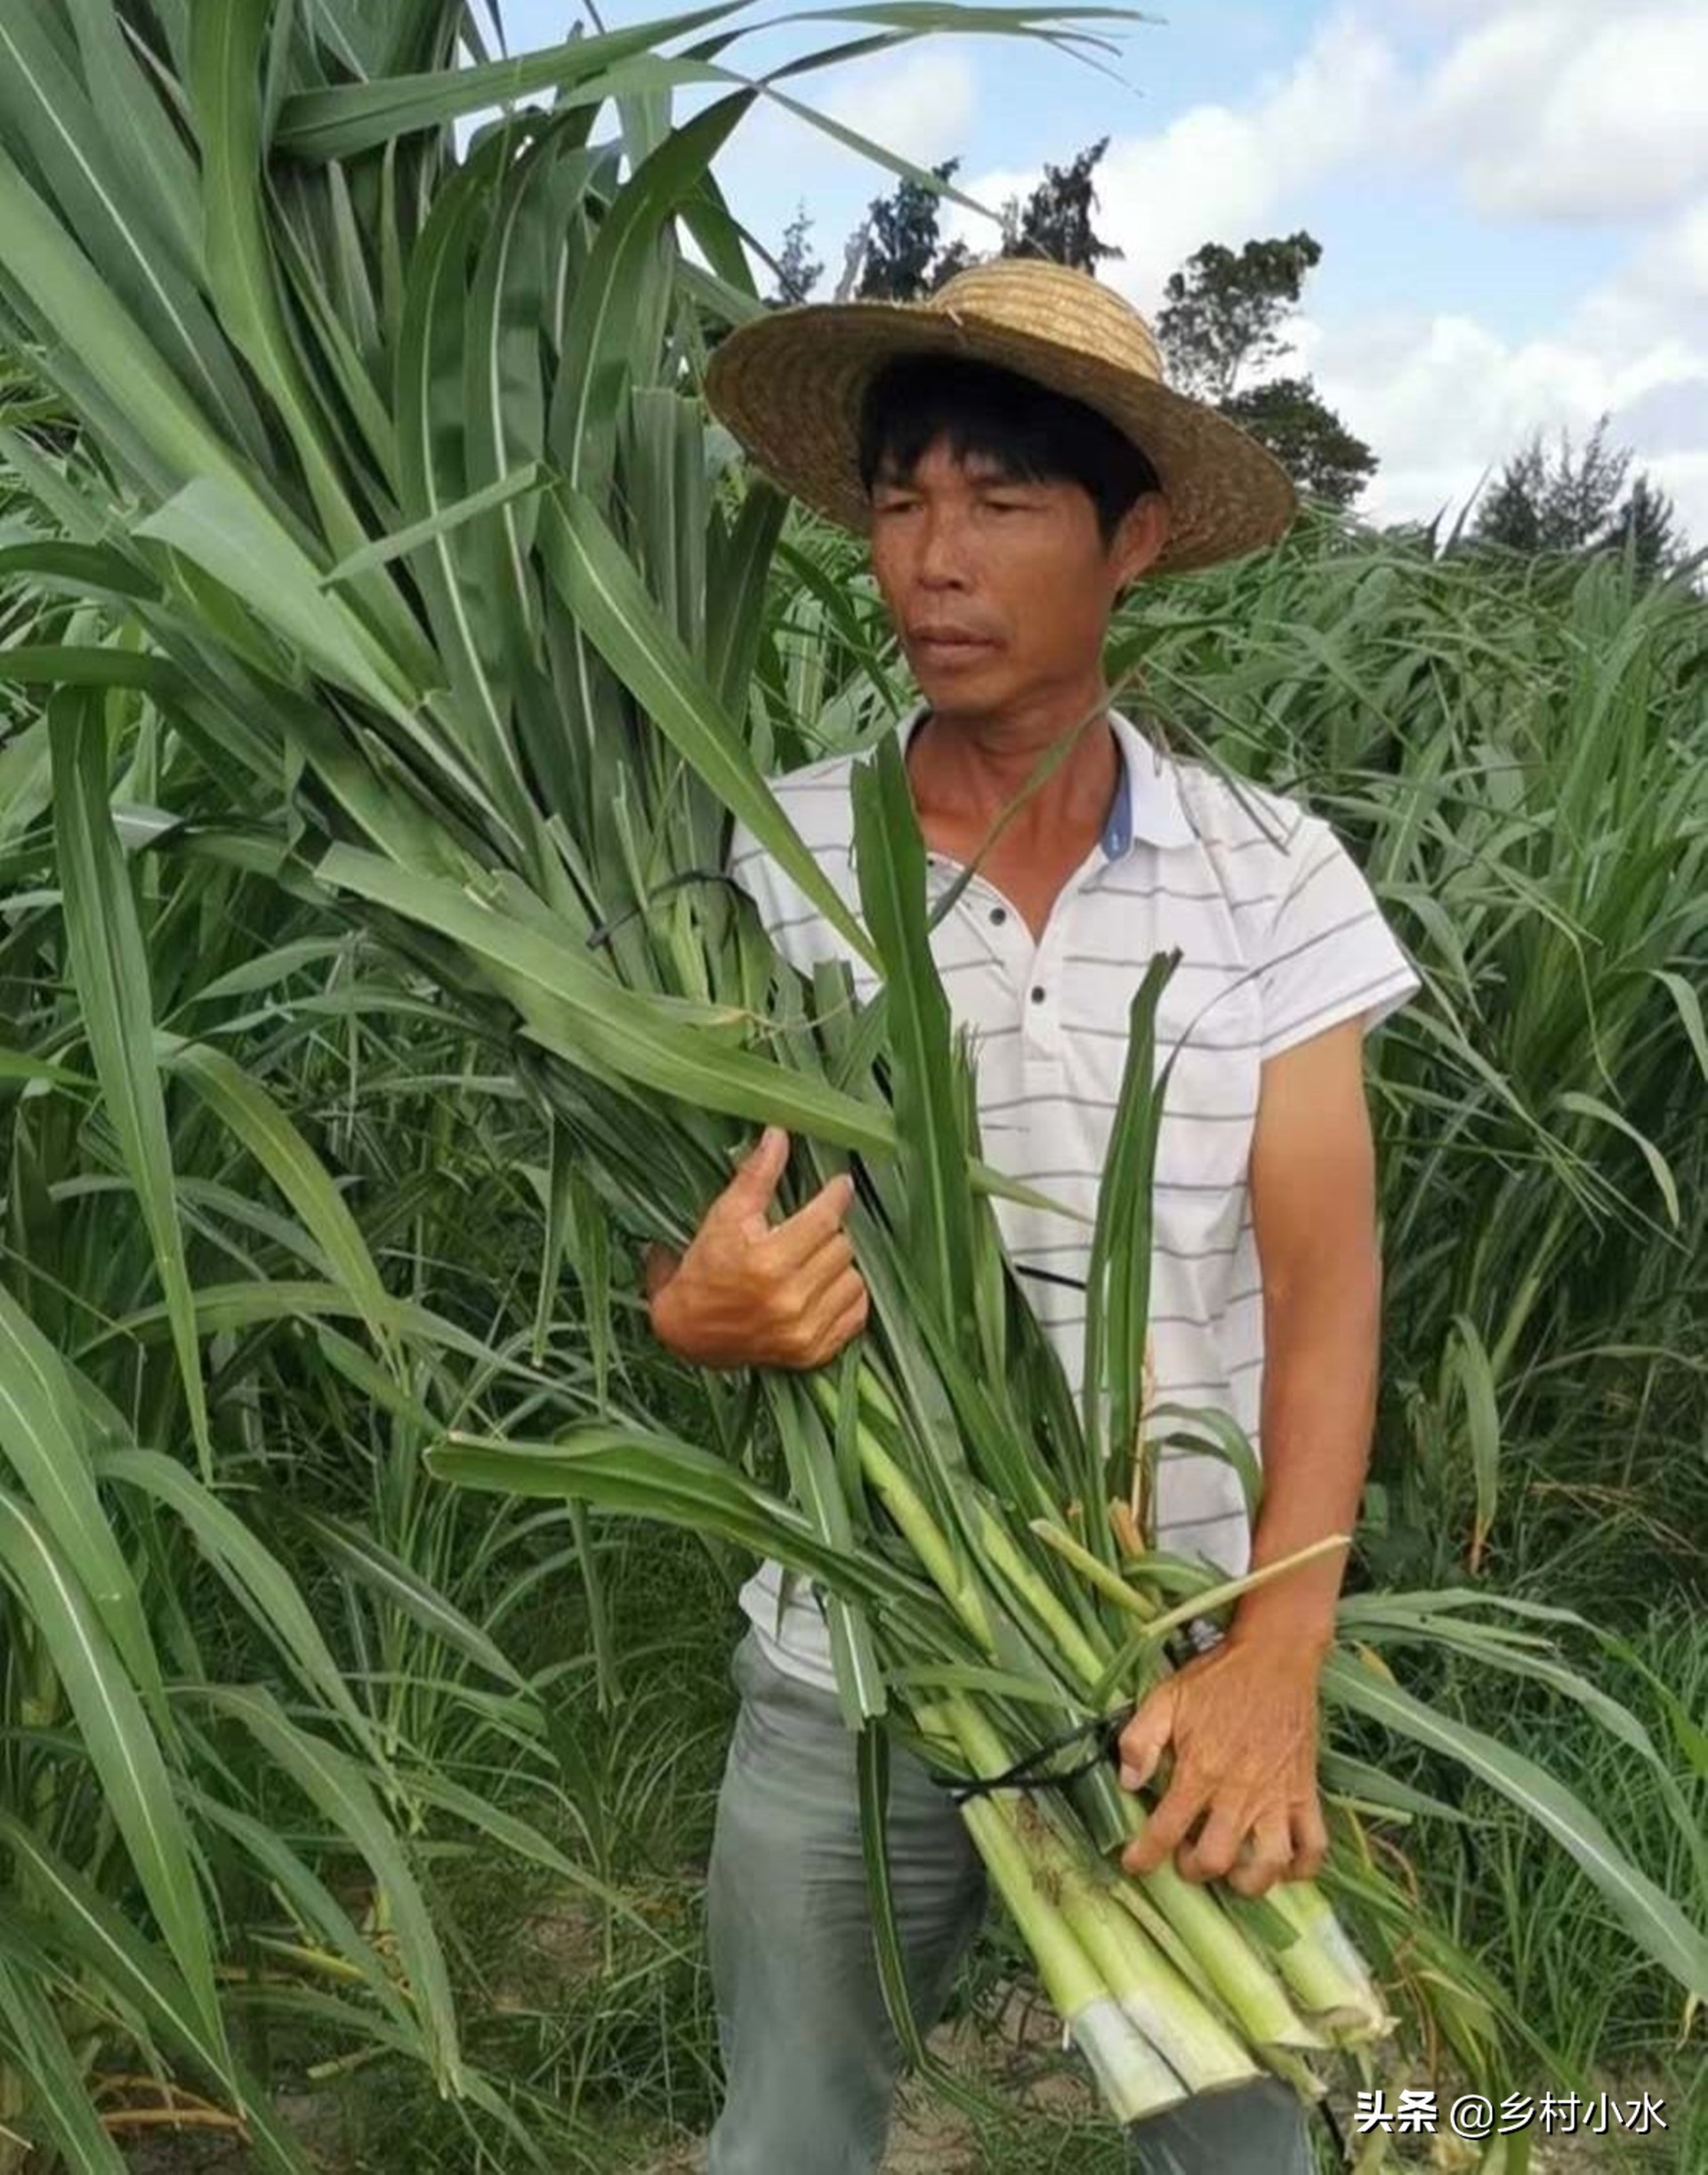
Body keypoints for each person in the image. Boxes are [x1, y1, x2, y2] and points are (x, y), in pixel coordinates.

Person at [642, 260, 1421, 2173]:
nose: (933, 557)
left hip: (1186, 1669)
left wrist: (1277, 1660)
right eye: (903, 499)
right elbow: (684, 1236)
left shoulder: (1271, 875)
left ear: (1131, 534)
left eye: (999, 501)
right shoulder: (770, 851)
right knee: (787, 2139)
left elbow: (1325, 1286)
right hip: (863, 1649)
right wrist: (697, 1308)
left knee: (1257, 2153)